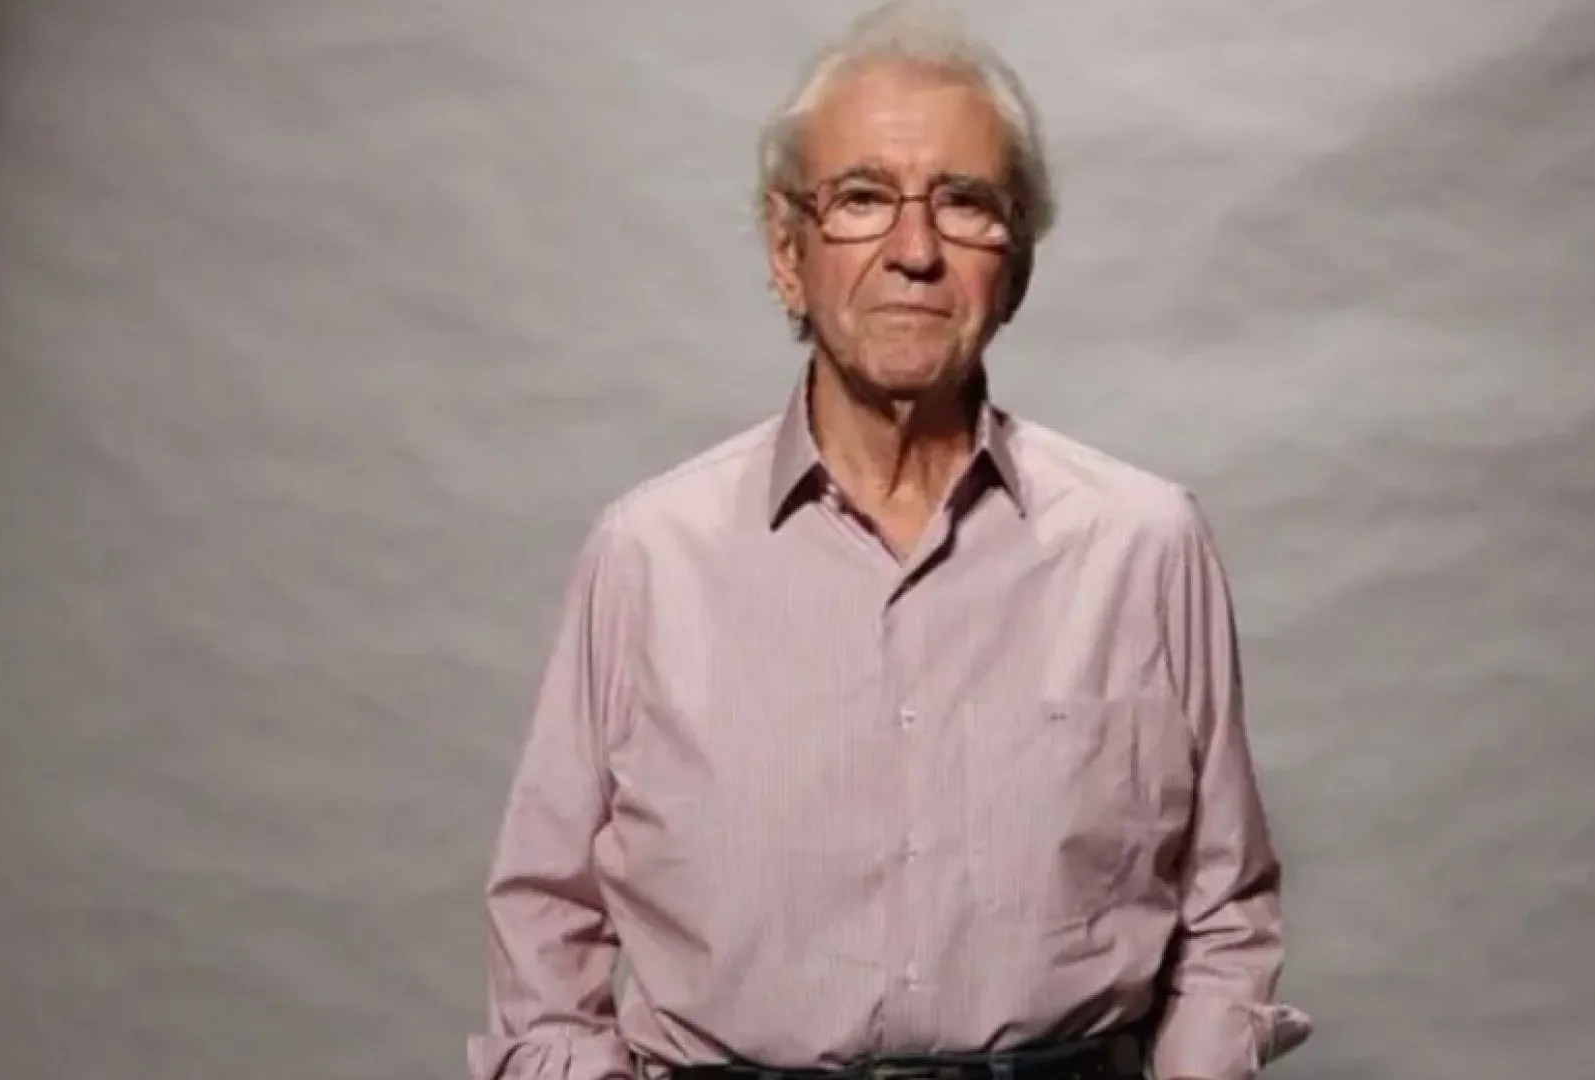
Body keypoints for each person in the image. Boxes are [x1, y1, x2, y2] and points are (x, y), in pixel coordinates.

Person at [466, 3, 1312, 1079]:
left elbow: (1224, 909)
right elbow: (544, 925)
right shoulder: (648, 556)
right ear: (788, 252)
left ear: (1016, 265)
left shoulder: (1145, 548)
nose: (915, 252)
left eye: (964, 204)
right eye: (862, 199)